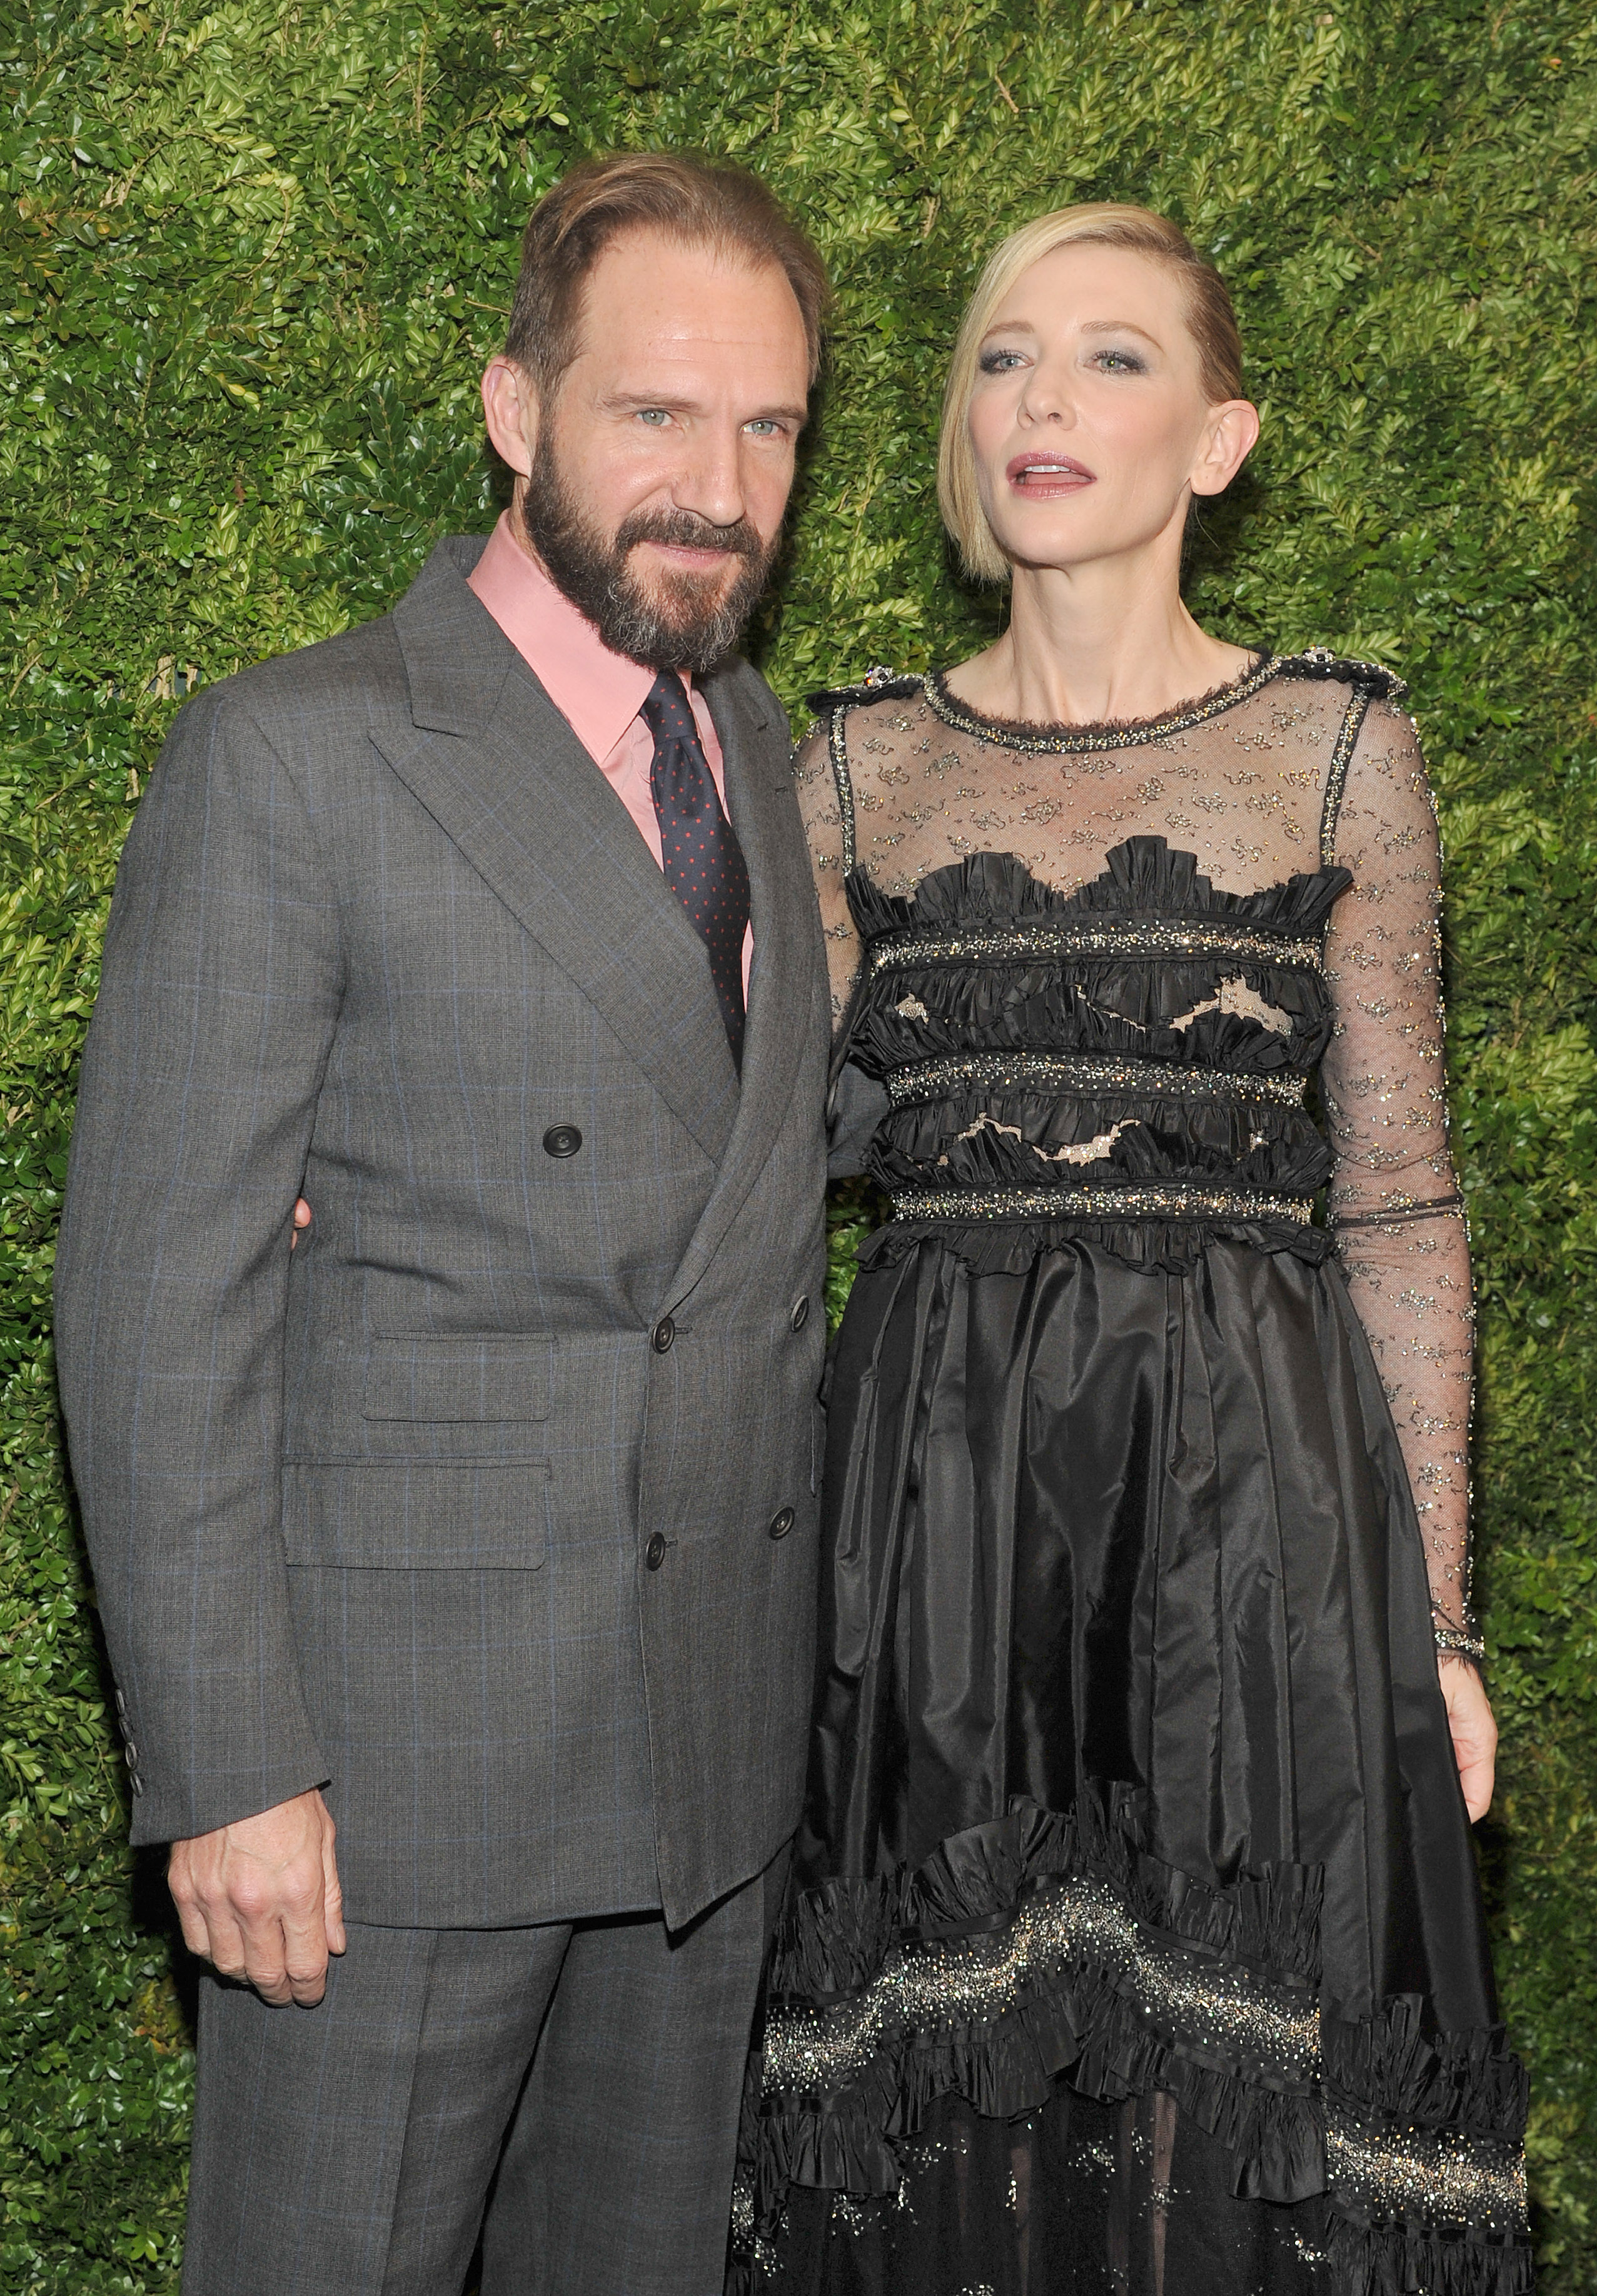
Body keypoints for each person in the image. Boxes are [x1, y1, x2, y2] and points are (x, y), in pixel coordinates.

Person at [54, 153, 834, 2296]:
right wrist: (229, 1772)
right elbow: (154, 1313)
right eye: (653, 413)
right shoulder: (294, 758)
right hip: (388, 1795)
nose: (717, 488)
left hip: (702, 1777)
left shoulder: (752, 747)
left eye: (769, 426)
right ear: (515, 408)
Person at [733, 204, 1532, 2294]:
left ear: (1220, 439)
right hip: (931, 1529)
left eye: (1111, 358)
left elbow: (1402, 1198)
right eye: (1004, 356)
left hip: (1256, 1527)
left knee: (1239, 2107)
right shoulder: (848, 768)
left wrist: (1442, 1624)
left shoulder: (1339, 752)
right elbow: (727, 1169)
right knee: (945, 2112)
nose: (1044, 401)